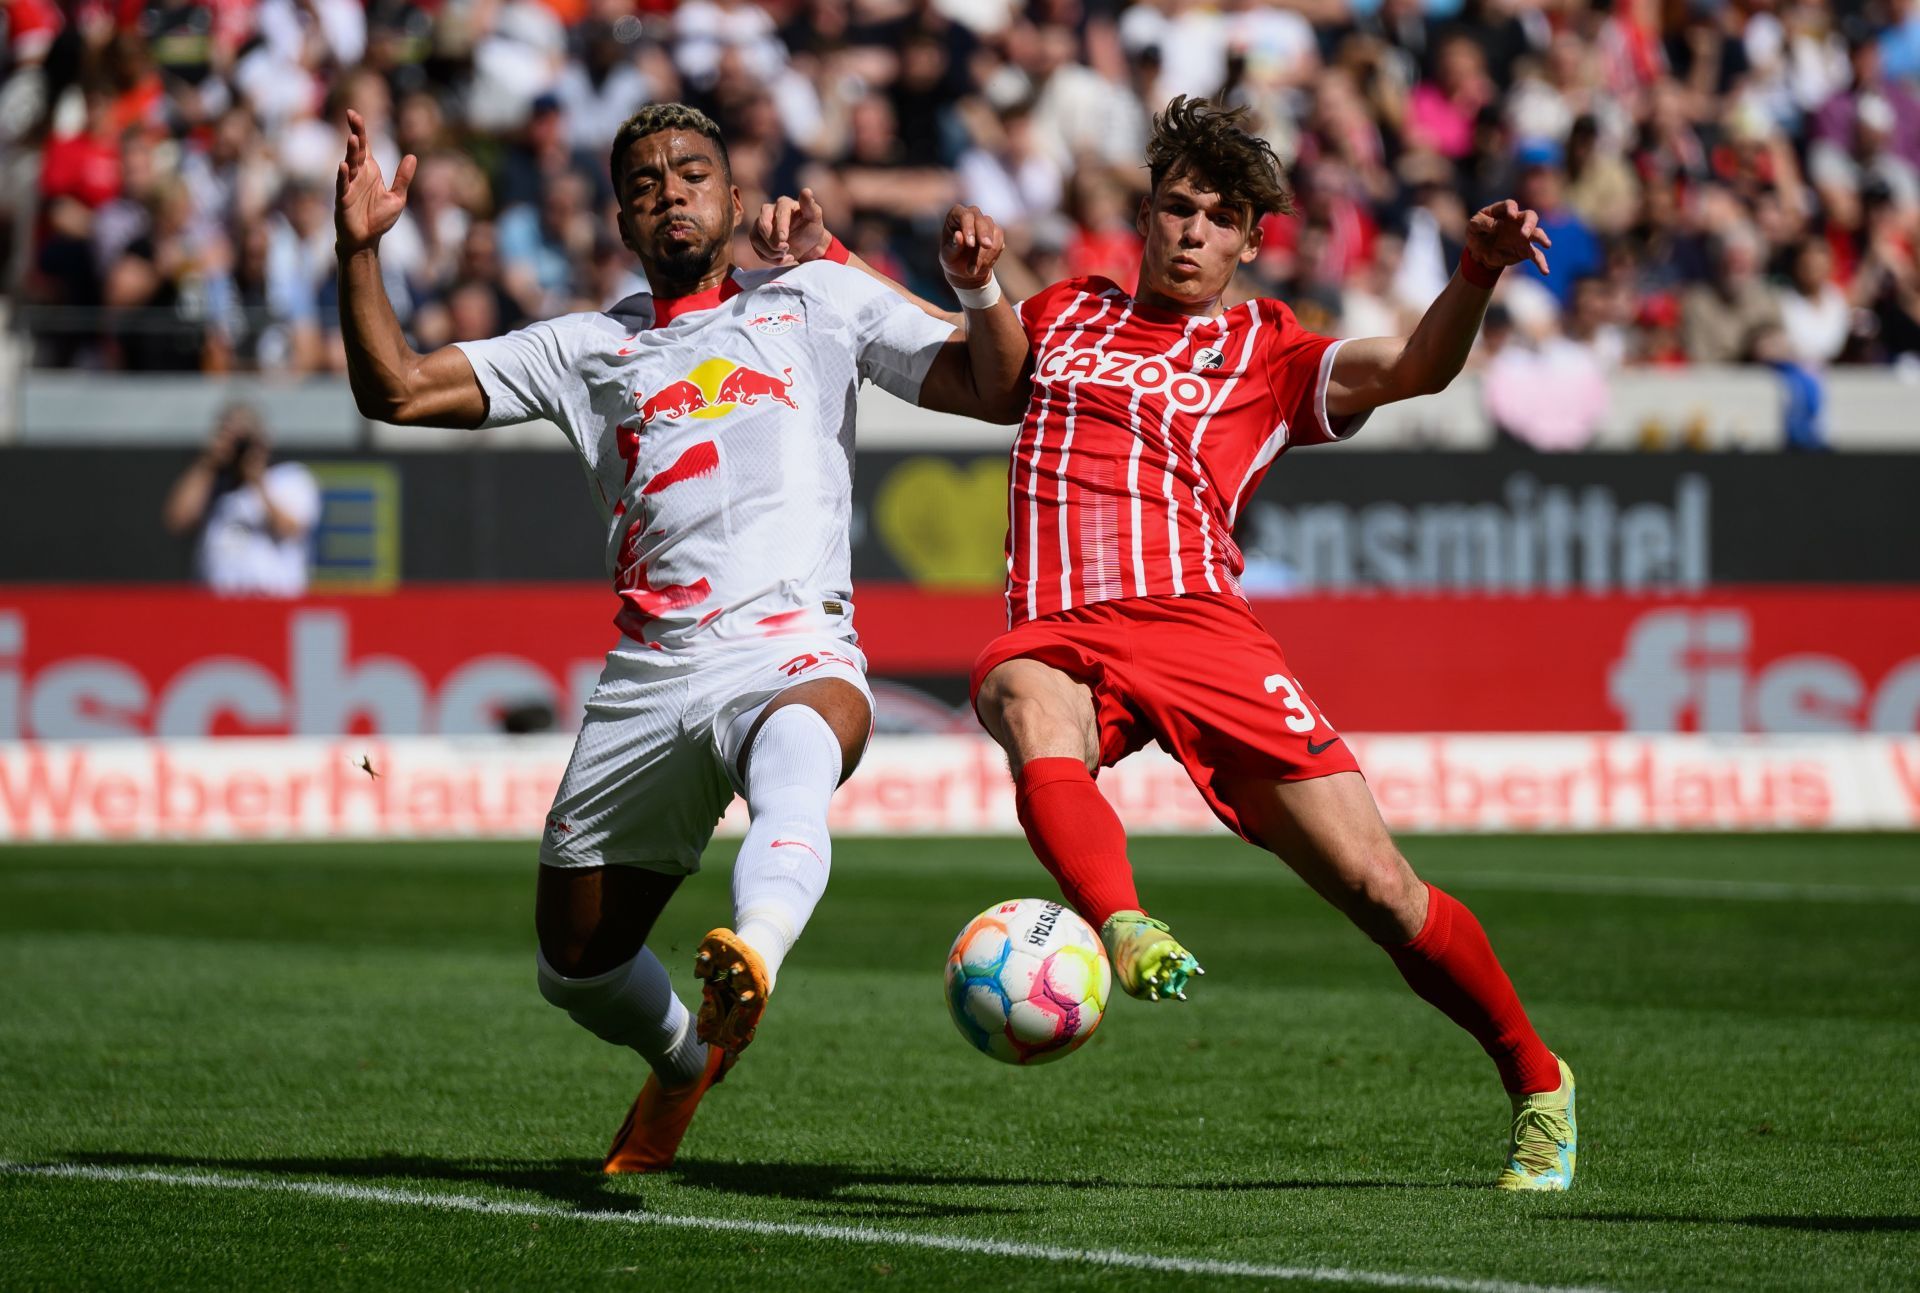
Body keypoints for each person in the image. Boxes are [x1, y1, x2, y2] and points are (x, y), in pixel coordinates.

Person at [760, 96, 1576, 1192]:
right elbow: (960, 355)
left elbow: (1416, 368)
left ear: (1249, 239)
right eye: (1176, 209)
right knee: (1016, 691)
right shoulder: (1067, 313)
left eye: (1218, 218)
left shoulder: (1270, 350)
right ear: (1144, 219)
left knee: (1382, 890)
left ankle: (1537, 1078)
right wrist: (840, 259)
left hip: (1200, 630)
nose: (1192, 232)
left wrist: (1475, 271)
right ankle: (1123, 921)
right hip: (1061, 625)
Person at [332, 102, 1026, 1172]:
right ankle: (682, 1058)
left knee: (802, 741)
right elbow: (395, 388)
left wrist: (978, 287)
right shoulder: (588, 347)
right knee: (573, 966)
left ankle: (755, 949)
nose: (672, 191)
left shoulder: (820, 299)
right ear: (623, 219)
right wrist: (360, 250)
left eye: (693, 172)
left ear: (737, 200)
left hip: (793, 642)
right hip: (653, 673)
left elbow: (998, 386)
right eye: (648, 181)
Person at [161, 402, 321, 596]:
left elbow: (289, 528)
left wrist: (257, 480)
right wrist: (209, 462)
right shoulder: (213, 485)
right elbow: (178, 520)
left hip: (273, 604)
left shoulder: (289, 478)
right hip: (218, 608)